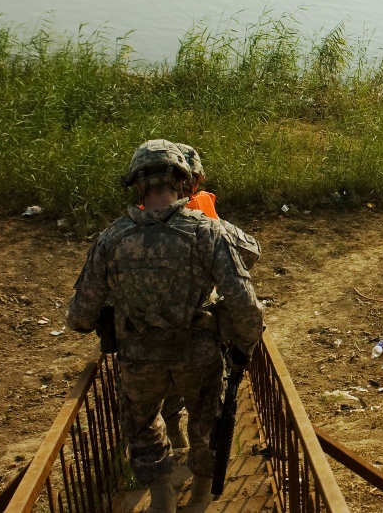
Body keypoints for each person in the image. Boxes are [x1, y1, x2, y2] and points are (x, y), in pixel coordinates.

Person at [66, 140, 264, 512]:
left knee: (142, 424)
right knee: (205, 425)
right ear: (184, 182)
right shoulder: (209, 232)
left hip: (139, 359)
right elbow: (246, 306)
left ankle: (162, 498)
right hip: (198, 353)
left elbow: (78, 316)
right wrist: (244, 347)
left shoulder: (112, 238)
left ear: (138, 184)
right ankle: (201, 499)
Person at [160, 143, 262, 451]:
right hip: (197, 322)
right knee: (204, 392)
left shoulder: (138, 219)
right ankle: (200, 461)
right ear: (190, 180)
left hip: (153, 327)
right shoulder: (204, 217)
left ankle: (174, 434)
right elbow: (249, 250)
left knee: (167, 385)